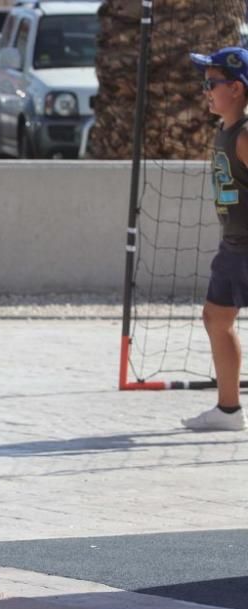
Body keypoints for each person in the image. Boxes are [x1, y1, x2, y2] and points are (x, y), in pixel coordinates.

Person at [183, 47, 248, 431]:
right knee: (216, 317)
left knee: (217, 317)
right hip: (234, 245)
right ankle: (228, 411)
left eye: (212, 83)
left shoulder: (244, 135)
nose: (205, 90)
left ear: (237, 88)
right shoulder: (225, 130)